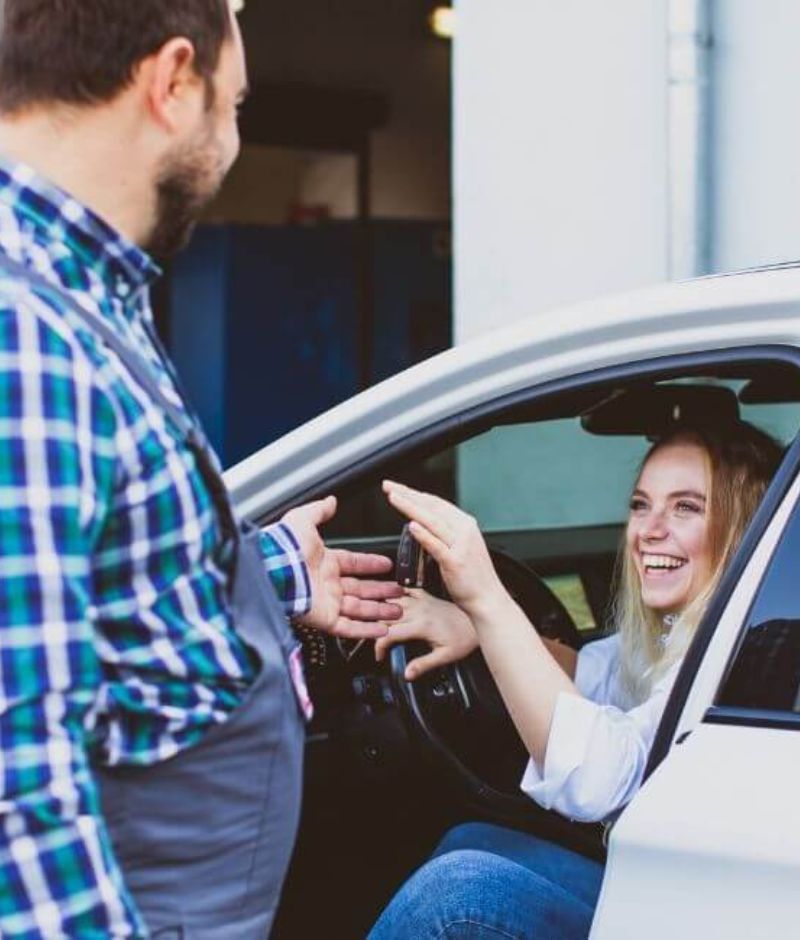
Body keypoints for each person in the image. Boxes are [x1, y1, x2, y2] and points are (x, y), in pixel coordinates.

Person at [0, 2, 403, 937]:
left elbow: (96, 584)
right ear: (174, 82)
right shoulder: (25, 335)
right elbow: (17, 791)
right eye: (236, 103)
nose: (230, 140)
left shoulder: (82, 295)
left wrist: (277, 572)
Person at [370, 420, 783, 939]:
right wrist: (475, 627)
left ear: (742, 528)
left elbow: (597, 783)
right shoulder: (697, 631)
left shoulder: (745, 655)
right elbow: (593, 671)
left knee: (457, 894)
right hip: (688, 893)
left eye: (686, 507)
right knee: (473, 838)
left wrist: (485, 597)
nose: (649, 529)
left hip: (720, 918)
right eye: (640, 504)